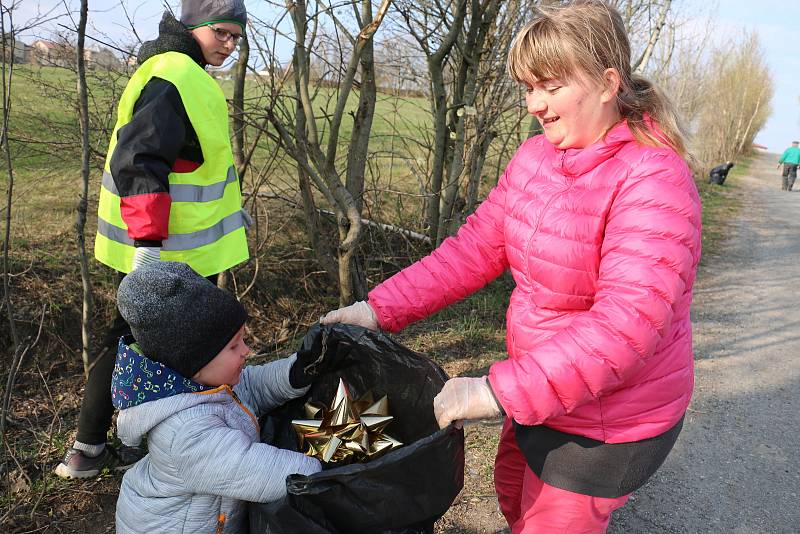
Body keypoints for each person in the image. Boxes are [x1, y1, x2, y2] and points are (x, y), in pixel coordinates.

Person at [321, 1, 701, 532]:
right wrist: (378, 309)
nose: (534, 105)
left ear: (608, 82)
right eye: (528, 87)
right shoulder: (537, 159)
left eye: (550, 86)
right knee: (512, 492)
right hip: (542, 389)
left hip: (608, 422)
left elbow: (628, 327)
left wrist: (496, 392)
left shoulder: (652, 180)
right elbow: (473, 249)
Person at [55, 0, 252, 478]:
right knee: (163, 346)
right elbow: (139, 160)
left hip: (177, 250)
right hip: (165, 252)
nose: (229, 44)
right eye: (221, 33)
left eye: (235, 37)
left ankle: (93, 447)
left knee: (132, 338)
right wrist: (147, 248)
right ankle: (133, 449)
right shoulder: (174, 75)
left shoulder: (180, 72)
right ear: (193, 26)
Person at [112, 262, 345, 533]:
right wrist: (333, 463)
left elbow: (253, 387)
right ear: (196, 363)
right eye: (234, 345)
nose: (246, 350)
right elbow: (265, 473)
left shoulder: (205, 385)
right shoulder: (187, 434)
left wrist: (297, 372)